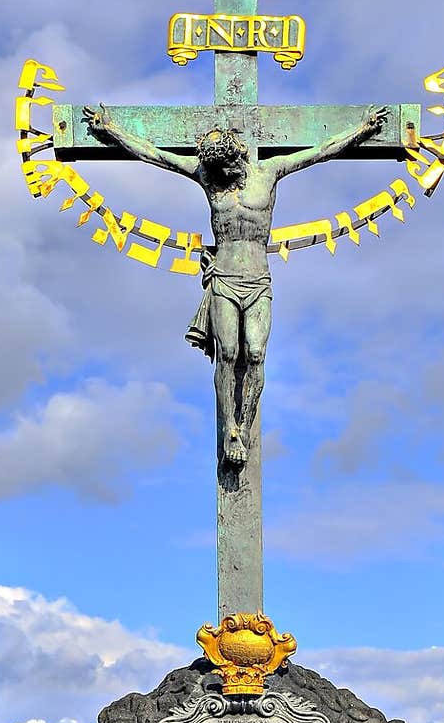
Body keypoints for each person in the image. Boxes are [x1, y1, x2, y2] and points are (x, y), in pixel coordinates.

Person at [84, 102, 388, 468]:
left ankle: (243, 424)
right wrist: (112, 131)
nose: (225, 175)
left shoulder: (269, 172)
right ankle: (229, 427)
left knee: (256, 353)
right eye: (219, 171)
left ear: (239, 157)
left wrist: (362, 130)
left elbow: (320, 152)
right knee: (228, 352)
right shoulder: (210, 178)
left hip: (258, 279)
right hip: (225, 279)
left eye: (229, 167)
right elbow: (157, 156)